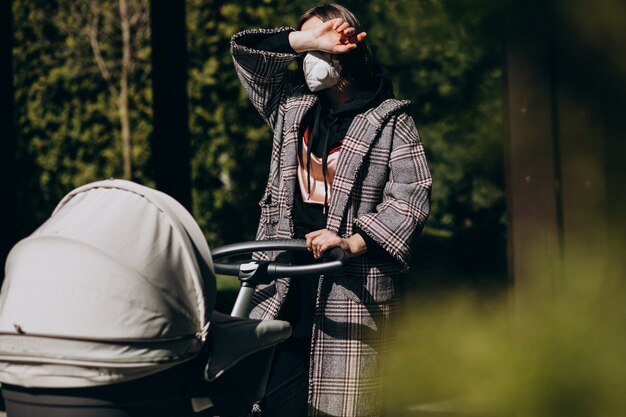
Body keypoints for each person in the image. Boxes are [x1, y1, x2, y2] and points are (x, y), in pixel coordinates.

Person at [230, 4, 431, 416]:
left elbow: (411, 197)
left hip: (349, 290)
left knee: (343, 405)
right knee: (268, 400)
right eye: (307, 50)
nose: (312, 61)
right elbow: (248, 57)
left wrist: (353, 240)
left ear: (350, 51)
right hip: (282, 281)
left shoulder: (390, 120)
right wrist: (305, 41)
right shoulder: (291, 109)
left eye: (326, 46)